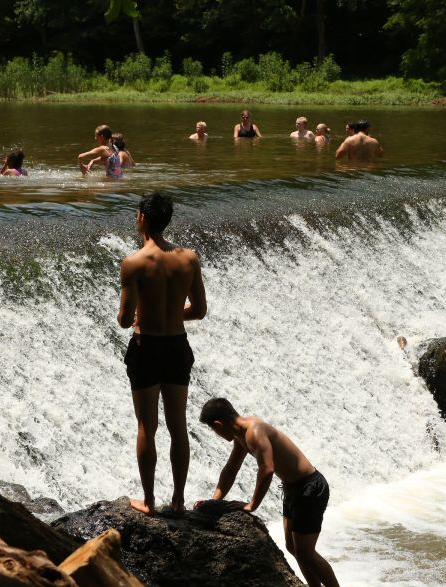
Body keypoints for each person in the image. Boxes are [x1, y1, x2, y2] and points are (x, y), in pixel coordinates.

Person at [118, 193, 207, 515]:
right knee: (178, 425)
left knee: (146, 426)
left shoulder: (134, 263)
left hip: (146, 348)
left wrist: (143, 315)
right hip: (177, 346)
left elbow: (126, 320)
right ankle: (179, 501)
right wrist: (170, 313)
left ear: (142, 217)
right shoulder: (189, 259)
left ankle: (151, 501)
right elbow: (199, 310)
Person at [194, 398, 340, 587]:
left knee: (305, 552)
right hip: (292, 489)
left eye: (213, 431)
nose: (216, 434)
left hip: (309, 488)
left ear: (218, 424)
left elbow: (267, 468)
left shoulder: (254, 431)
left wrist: (251, 505)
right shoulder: (240, 436)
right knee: (293, 547)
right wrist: (213, 501)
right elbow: (231, 468)